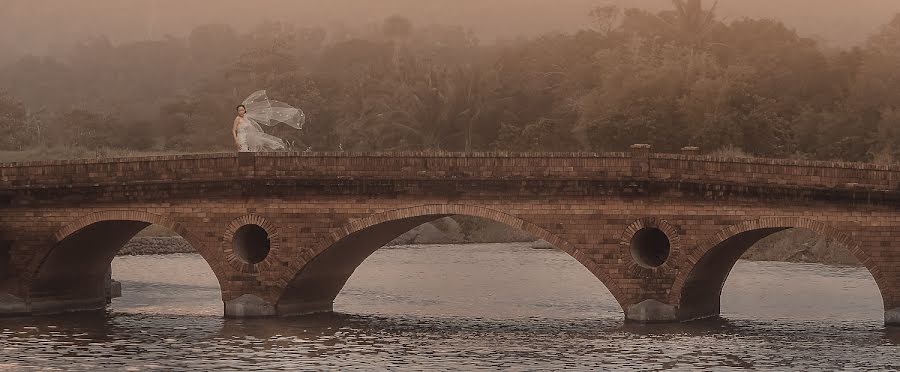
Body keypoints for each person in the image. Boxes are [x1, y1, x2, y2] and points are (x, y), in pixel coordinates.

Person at [232, 90, 305, 152]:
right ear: (237, 111)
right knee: (243, 152)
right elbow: (233, 130)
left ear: (244, 110)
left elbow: (251, 129)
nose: (241, 112)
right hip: (241, 138)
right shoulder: (237, 119)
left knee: (248, 152)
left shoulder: (246, 118)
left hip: (247, 138)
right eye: (239, 110)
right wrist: (236, 141)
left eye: (242, 110)